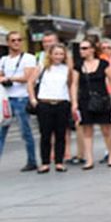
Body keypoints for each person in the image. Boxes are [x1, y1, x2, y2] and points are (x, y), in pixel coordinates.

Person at [26, 43, 72, 173]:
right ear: (50, 55)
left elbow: (70, 85)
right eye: (56, 53)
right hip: (45, 104)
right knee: (45, 135)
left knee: (61, 134)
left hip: (62, 103)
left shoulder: (67, 69)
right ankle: (45, 162)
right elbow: (30, 83)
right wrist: (33, 99)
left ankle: (59, 162)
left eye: (61, 54)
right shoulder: (42, 67)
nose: (58, 56)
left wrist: (72, 102)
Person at [72, 39, 111, 169]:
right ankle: (89, 159)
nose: (82, 51)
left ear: (92, 49)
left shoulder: (103, 64)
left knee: (106, 129)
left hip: (102, 99)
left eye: (85, 48)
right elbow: (74, 84)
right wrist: (74, 102)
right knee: (87, 129)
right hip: (85, 100)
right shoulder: (78, 66)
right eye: (81, 48)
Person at [0, 30, 38, 171]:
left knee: (25, 131)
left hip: (22, 98)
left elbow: (28, 77)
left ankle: (32, 161)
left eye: (19, 40)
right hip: (6, 99)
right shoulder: (3, 60)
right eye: (13, 40)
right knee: (1, 131)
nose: (17, 43)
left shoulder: (28, 58)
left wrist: (10, 79)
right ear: (8, 42)